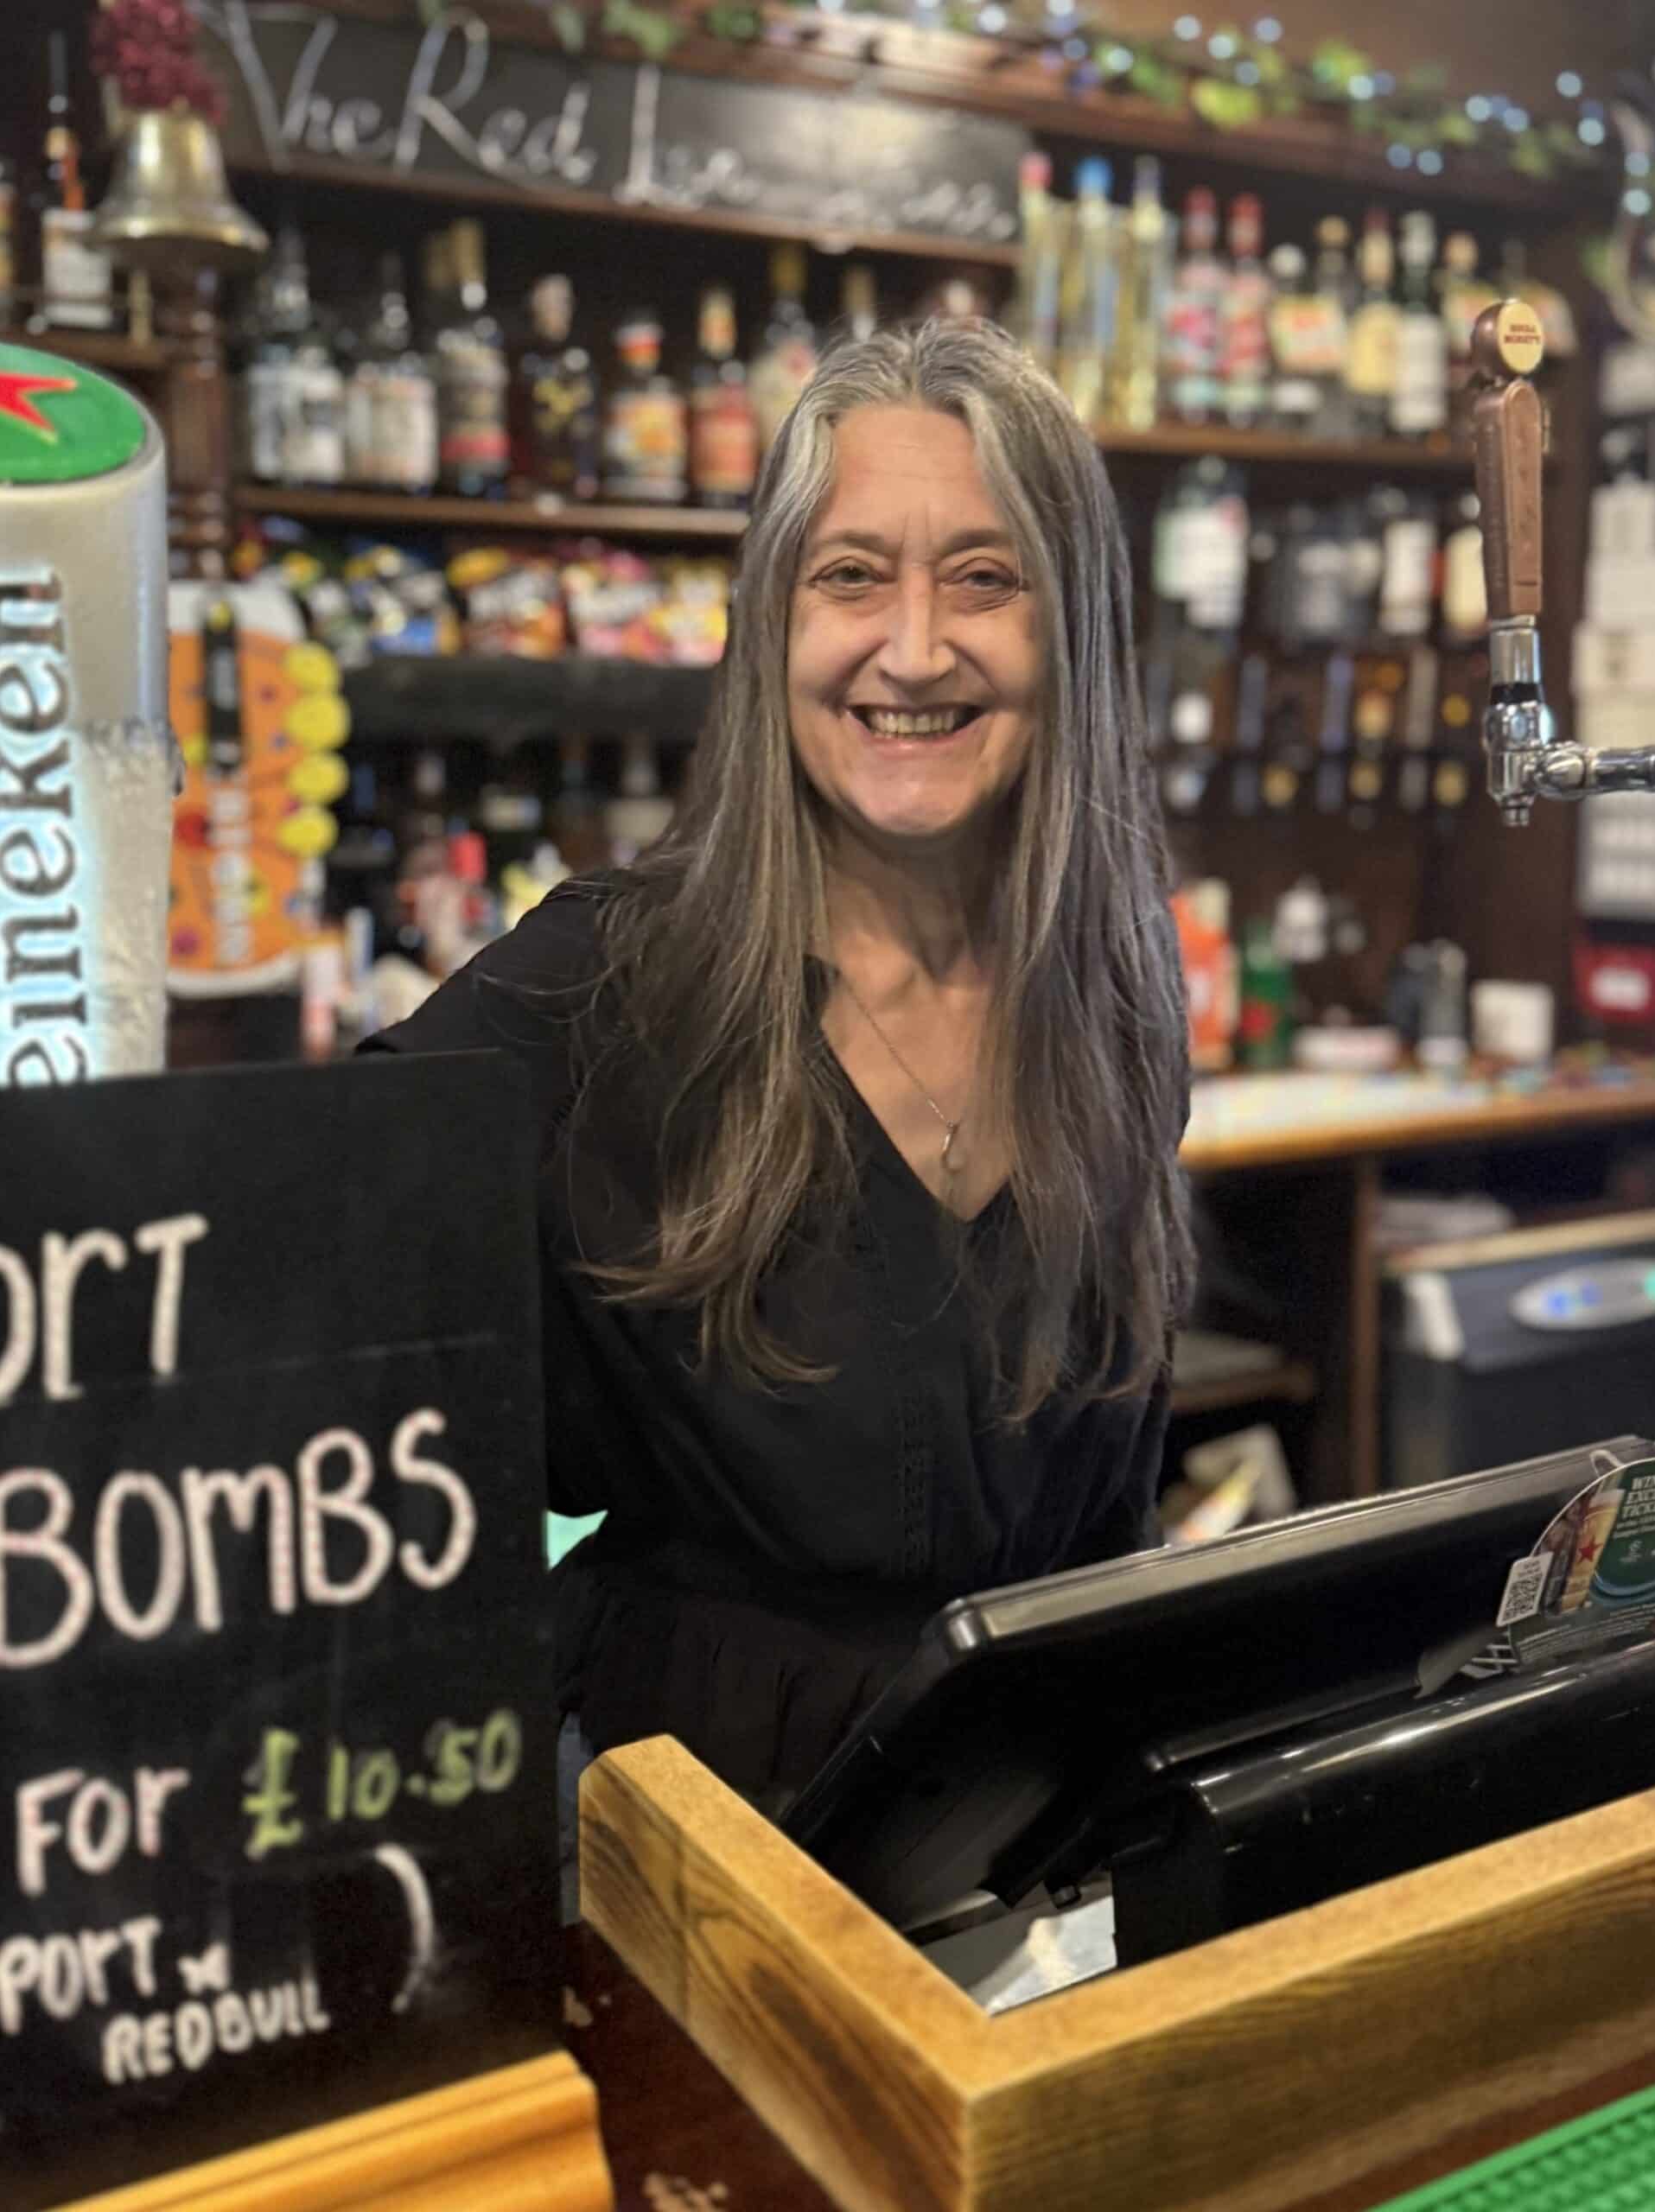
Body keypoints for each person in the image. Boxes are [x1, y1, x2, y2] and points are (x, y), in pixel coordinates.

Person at [366, 318, 1192, 1817]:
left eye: (986, 577)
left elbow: (1115, 1519)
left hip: (1038, 1835)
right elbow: (293, 1263)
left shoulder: (1112, 993)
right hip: (701, 1841)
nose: (916, 648)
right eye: (852, 574)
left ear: (1071, 628)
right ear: (773, 623)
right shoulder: (614, 982)